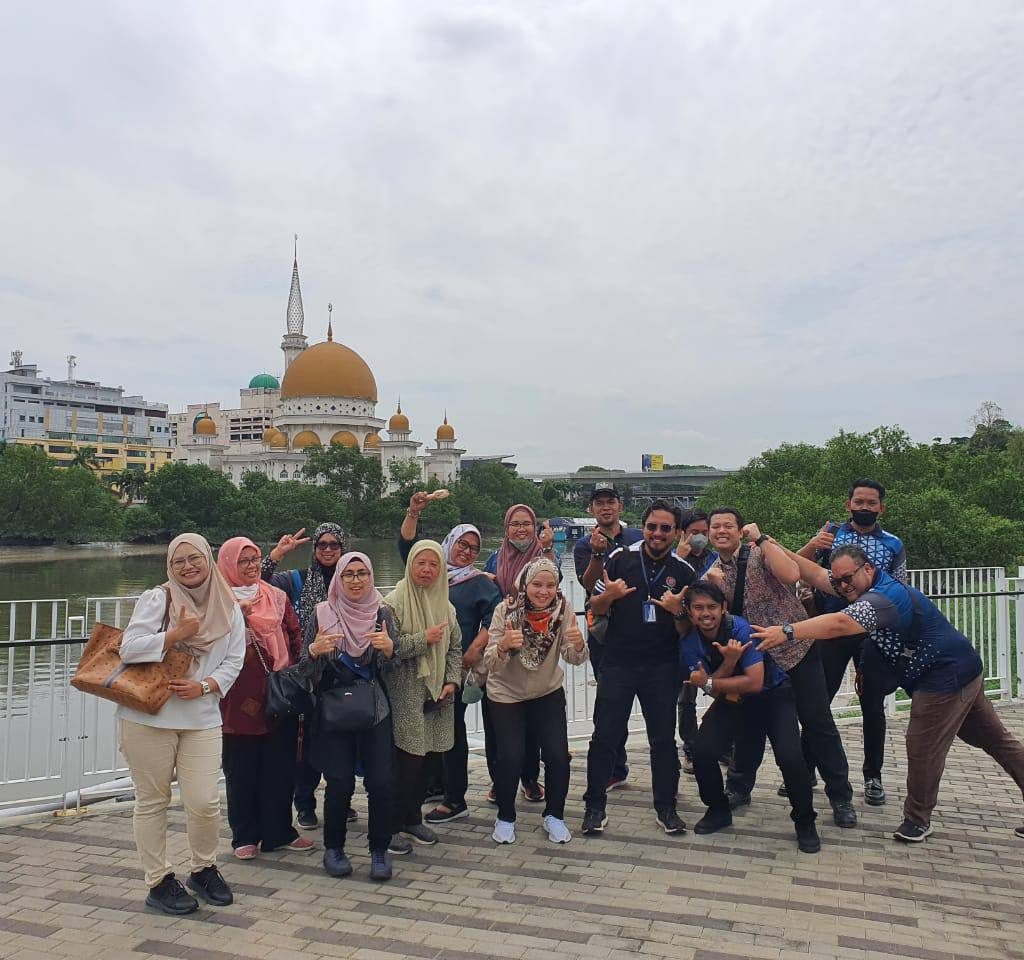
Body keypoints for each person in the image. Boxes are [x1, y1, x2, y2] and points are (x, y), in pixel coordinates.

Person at [752, 544, 1024, 843]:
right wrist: (768, 541)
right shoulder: (858, 585)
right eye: (839, 580)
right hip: (960, 670)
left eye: (848, 578)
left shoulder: (886, 597)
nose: (842, 585)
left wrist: (787, 631)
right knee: (996, 740)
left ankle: (917, 820)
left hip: (944, 677)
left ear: (867, 569)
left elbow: (841, 623)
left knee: (922, 745)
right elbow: (815, 573)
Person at [117, 534, 244, 915]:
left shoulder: (229, 606)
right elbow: (128, 647)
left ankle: (203, 868)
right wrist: (175, 635)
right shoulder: (159, 598)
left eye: (195, 559)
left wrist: (204, 686)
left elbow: (234, 660)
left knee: (205, 801)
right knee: (152, 800)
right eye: (178, 562)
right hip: (149, 716)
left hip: (202, 717)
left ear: (209, 559)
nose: (187, 567)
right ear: (169, 567)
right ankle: (158, 881)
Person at [705, 509, 857, 828]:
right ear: (708, 533)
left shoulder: (760, 551)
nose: (722, 531)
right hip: (757, 660)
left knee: (817, 723)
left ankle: (840, 795)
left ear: (739, 529)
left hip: (796, 650)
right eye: (715, 526)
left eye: (728, 525)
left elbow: (791, 574)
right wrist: (714, 588)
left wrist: (761, 538)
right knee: (749, 726)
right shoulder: (712, 572)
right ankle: (738, 787)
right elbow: (708, 616)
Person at [582, 499, 695, 837]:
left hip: (662, 666)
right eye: (651, 527)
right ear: (643, 527)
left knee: (662, 739)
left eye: (665, 528)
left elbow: (688, 629)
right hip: (618, 661)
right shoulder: (621, 558)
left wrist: (678, 611)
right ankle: (594, 806)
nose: (657, 534)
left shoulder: (684, 572)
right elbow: (594, 604)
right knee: (604, 736)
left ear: (676, 533)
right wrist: (610, 596)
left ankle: (666, 808)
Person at [680, 581, 820, 853]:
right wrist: (729, 664)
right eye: (697, 608)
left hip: (773, 696)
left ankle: (805, 820)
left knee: (790, 757)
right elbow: (713, 687)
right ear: (688, 610)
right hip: (733, 700)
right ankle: (718, 809)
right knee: (703, 751)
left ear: (723, 608)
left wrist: (709, 681)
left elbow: (754, 682)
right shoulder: (688, 643)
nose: (705, 614)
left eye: (711, 607)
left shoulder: (741, 629)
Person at [797, 479, 907, 806]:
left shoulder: (893, 543)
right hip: (831, 628)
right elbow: (800, 572)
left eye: (871, 502)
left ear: (881, 508)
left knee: (872, 705)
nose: (864, 507)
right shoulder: (831, 536)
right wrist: (813, 544)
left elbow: (900, 588)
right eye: (858, 501)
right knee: (817, 702)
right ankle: (805, 769)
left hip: (871, 631)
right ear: (848, 504)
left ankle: (873, 775)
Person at [398, 494, 503, 823]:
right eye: (463, 544)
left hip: (453, 669)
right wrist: (413, 512)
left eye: (473, 548)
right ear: (451, 542)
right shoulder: (432, 573)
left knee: (451, 729)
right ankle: (434, 784)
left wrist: (475, 648)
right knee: (425, 725)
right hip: (418, 665)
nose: (467, 551)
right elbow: (407, 546)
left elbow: (497, 616)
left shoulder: (477, 583)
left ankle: (456, 798)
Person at [216, 537, 314, 860]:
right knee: (242, 767)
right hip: (238, 697)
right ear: (229, 564)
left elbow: (294, 633)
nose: (251, 566)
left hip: (279, 692)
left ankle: (279, 831)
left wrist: (295, 674)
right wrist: (235, 617)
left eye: (255, 559)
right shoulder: (218, 603)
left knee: (280, 765)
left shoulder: (276, 596)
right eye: (243, 561)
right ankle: (244, 834)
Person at [304, 553, 398, 881]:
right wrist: (315, 652)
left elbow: (391, 668)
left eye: (362, 574)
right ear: (339, 580)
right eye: (349, 575)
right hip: (334, 709)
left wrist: (388, 650)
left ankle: (379, 850)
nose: (356, 581)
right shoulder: (322, 613)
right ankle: (334, 848)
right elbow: (306, 668)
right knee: (339, 782)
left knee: (382, 782)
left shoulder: (381, 613)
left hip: (374, 708)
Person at [483, 558, 588, 844]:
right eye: (537, 584)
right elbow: (490, 662)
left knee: (557, 754)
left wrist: (579, 643)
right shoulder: (505, 610)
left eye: (550, 585)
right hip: (506, 692)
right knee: (511, 756)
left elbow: (573, 657)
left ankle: (555, 815)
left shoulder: (563, 610)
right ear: (525, 584)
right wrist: (504, 645)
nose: (543, 591)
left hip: (546, 690)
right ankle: (505, 817)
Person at [261, 522, 352, 830]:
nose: (327, 550)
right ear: (315, 549)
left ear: (343, 548)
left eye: (334, 545)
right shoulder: (296, 580)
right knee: (307, 743)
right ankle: (305, 803)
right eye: (322, 545)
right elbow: (257, 583)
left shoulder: (353, 580)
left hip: (344, 674)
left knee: (341, 740)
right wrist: (276, 554)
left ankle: (341, 799)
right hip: (307, 673)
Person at [382, 540, 462, 855]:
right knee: (405, 763)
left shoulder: (446, 605)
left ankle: (412, 818)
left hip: (437, 695)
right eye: (421, 563)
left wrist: (453, 681)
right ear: (411, 565)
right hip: (405, 695)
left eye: (434, 565)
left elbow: (455, 646)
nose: (427, 570)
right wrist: (422, 639)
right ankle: (389, 826)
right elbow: (387, 651)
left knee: (428, 761)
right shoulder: (393, 603)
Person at [482, 502, 557, 803]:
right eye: (515, 524)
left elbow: (555, 591)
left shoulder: (542, 558)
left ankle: (529, 778)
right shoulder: (494, 558)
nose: (522, 529)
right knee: (496, 720)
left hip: (535, 644)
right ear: (506, 528)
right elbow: (485, 598)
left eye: (527, 523)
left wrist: (549, 550)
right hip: (500, 641)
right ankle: (499, 780)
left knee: (532, 722)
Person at [572, 481, 643, 789]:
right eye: (599, 502)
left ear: (619, 506)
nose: (605, 507)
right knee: (609, 703)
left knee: (648, 699)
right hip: (604, 633)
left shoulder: (638, 537)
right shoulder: (585, 545)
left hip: (640, 630)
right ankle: (614, 765)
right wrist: (597, 556)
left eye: (610, 501)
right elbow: (588, 585)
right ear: (591, 509)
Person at [673, 509, 718, 774]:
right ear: (683, 534)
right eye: (694, 533)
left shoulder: (717, 559)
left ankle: (720, 743)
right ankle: (690, 746)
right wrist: (681, 557)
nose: (700, 537)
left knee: (723, 690)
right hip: (684, 635)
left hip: (713, 634)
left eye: (704, 532)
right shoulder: (675, 559)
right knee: (686, 696)